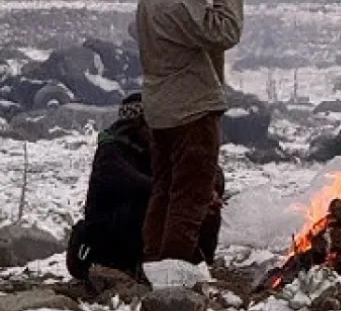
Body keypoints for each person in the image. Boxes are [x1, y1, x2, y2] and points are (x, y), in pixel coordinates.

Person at [135, 0, 243, 264]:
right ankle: (173, 274)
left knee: (165, 190)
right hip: (191, 111)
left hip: (160, 109)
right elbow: (225, 32)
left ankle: (155, 264)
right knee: (191, 196)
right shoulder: (180, 6)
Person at [67, 93, 226, 280]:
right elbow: (131, 184)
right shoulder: (111, 152)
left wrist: (206, 189)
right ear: (137, 124)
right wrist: (185, 191)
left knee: (203, 207)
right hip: (110, 239)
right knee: (151, 204)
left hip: (139, 234)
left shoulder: (160, 148)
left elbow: (209, 171)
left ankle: (195, 265)